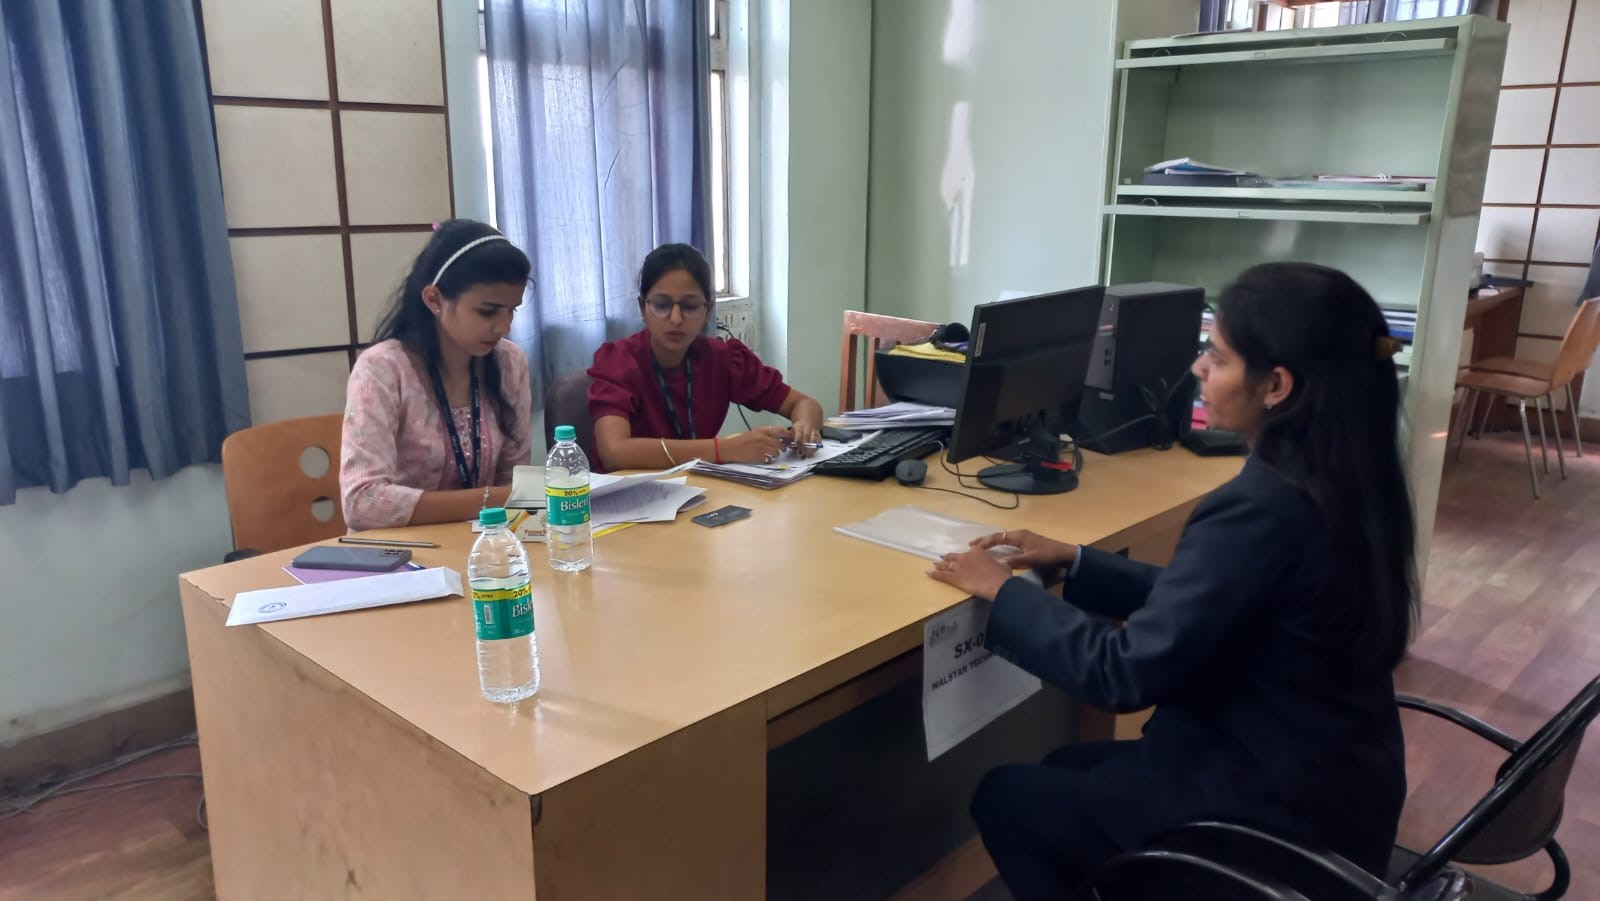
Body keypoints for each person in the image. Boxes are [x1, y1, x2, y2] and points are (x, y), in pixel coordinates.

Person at [929, 262, 1416, 899]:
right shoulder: (1348, 474)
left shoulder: (1262, 505)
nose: (1198, 369)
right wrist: (1078, 561)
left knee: (1006, 797)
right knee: (1066, 765)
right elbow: (1224, 602)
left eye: (1218, 357)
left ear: (1277, 385)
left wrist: (1002, 591)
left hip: (1266, 816)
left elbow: (1121, 673)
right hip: (1329, 787)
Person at [340, 220, 533, 531]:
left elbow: (514, 481)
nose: (503, 326)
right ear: (434, 299)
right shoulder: (382, 369)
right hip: (398, 551)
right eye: (487, 311)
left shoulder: (509, 362)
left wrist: (510, 499)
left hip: (485, 544)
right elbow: (362, 501)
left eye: (512, 310)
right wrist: (492, 500)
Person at [587, 243, 825, 472]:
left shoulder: (723, 359)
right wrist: (725, 449)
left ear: (707, 311)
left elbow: (805, 404)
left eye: (690, 306)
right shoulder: (619, 361)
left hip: (698, 489)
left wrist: (805, 428)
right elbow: (614, 452)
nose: (676, 319)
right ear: (642, 308)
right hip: (630, 494)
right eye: (661, 305)